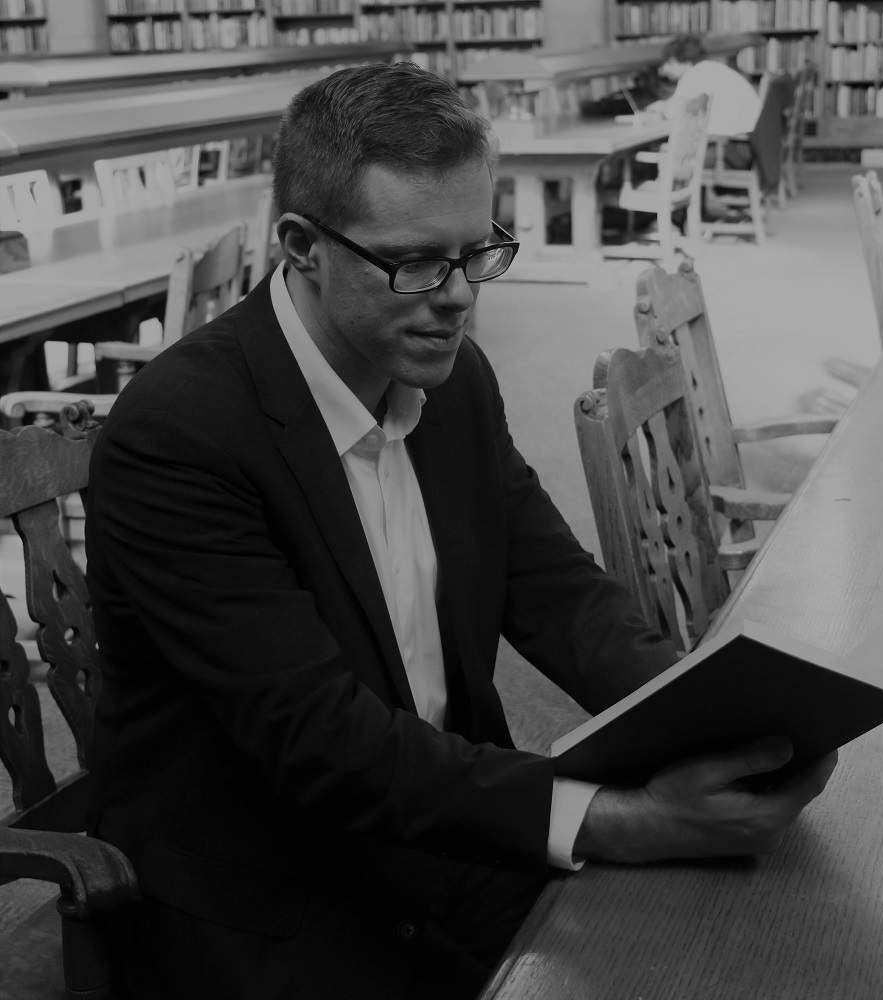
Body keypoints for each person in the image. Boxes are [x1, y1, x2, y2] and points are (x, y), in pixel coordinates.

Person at [85, 61, 837, 1000]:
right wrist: (616, 819)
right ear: (301, 246)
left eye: (477, 252)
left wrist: (726, 720)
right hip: (275, 898)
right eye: (416, 262)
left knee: (760, 947)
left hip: (447, 833)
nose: (459, 297)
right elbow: (323, 741)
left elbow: (559, 595)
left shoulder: (453, 380)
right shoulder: (180, 433)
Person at [648, 33, 762, 170]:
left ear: (674, 60)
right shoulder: (712, 68)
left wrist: (660, 109)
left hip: (730, 151)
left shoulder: (693, 75)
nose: (664, 71)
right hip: (750, 147)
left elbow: (676, 112)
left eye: (666, 64)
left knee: (660, 158)